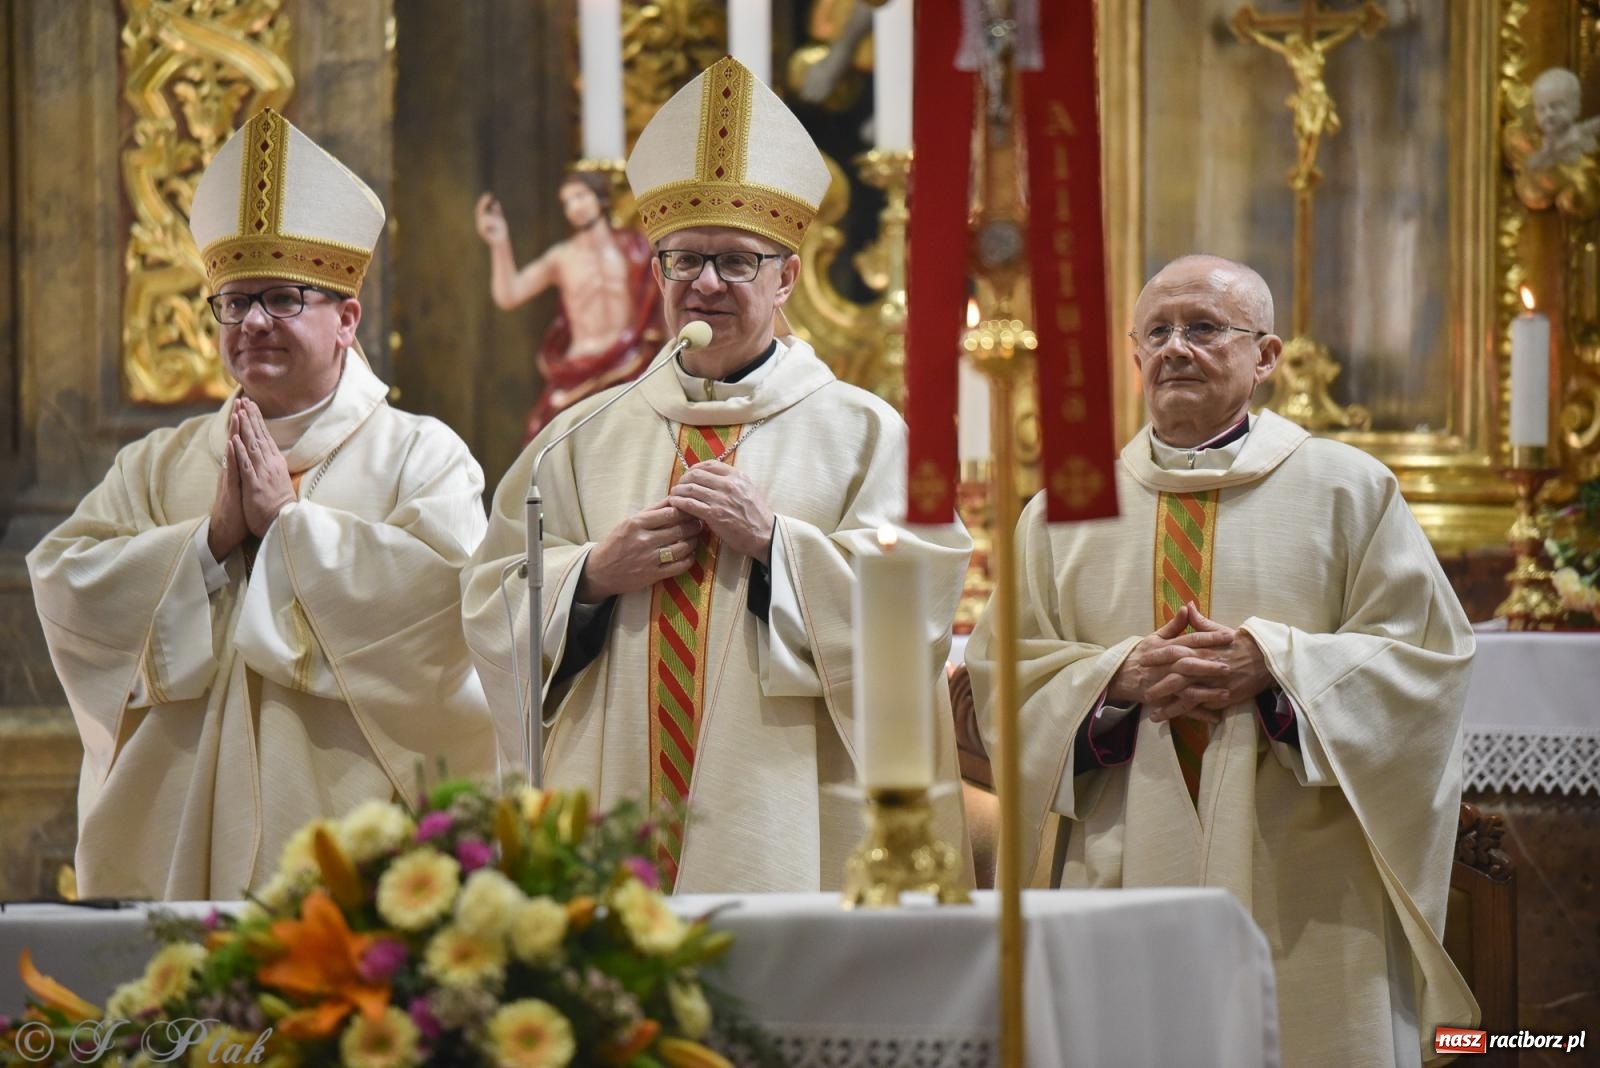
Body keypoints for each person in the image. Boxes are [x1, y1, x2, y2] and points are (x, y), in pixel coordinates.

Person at [462, 57, 972, 894]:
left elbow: (917, 605)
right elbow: (488, 600)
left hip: (785, 807)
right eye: (682, 260)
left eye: (735, 262)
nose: (704, 284)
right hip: (610, 799)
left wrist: (776, 544)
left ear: (786, 277)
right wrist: (589, 575)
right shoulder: (583, 434)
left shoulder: (862, 433)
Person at [967, 255, 1478, 1066]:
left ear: (1266, 356)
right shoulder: (1064, 507)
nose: (1176, 348)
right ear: (1133, 356)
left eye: (1204, 328)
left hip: (1304, 876)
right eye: (1158, 332)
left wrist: (1277, 668)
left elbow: (1427, 664)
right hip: (1121, 856)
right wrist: (1113, 681)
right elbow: (1004, 675)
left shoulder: (1348, 489)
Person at [27, 109, 495, 900]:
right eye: (234, 301)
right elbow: (67, 588)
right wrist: (206, 544)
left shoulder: (421, 456)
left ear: (347, 318)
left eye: (282, 299)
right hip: (175, 832)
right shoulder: (160, 463)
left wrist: (292, 528)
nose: (251, 324)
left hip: (347, 837)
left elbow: (455, 623)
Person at [475, 173, 665, 440]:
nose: (574, 207)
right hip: (577, 370)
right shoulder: (562, 257)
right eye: (566, 202)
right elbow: (509, 295)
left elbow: (661, 301)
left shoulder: (636, 248)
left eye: (580, 196)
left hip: (630, 364)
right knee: (549, 443)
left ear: (600, 197)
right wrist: (499, 243)